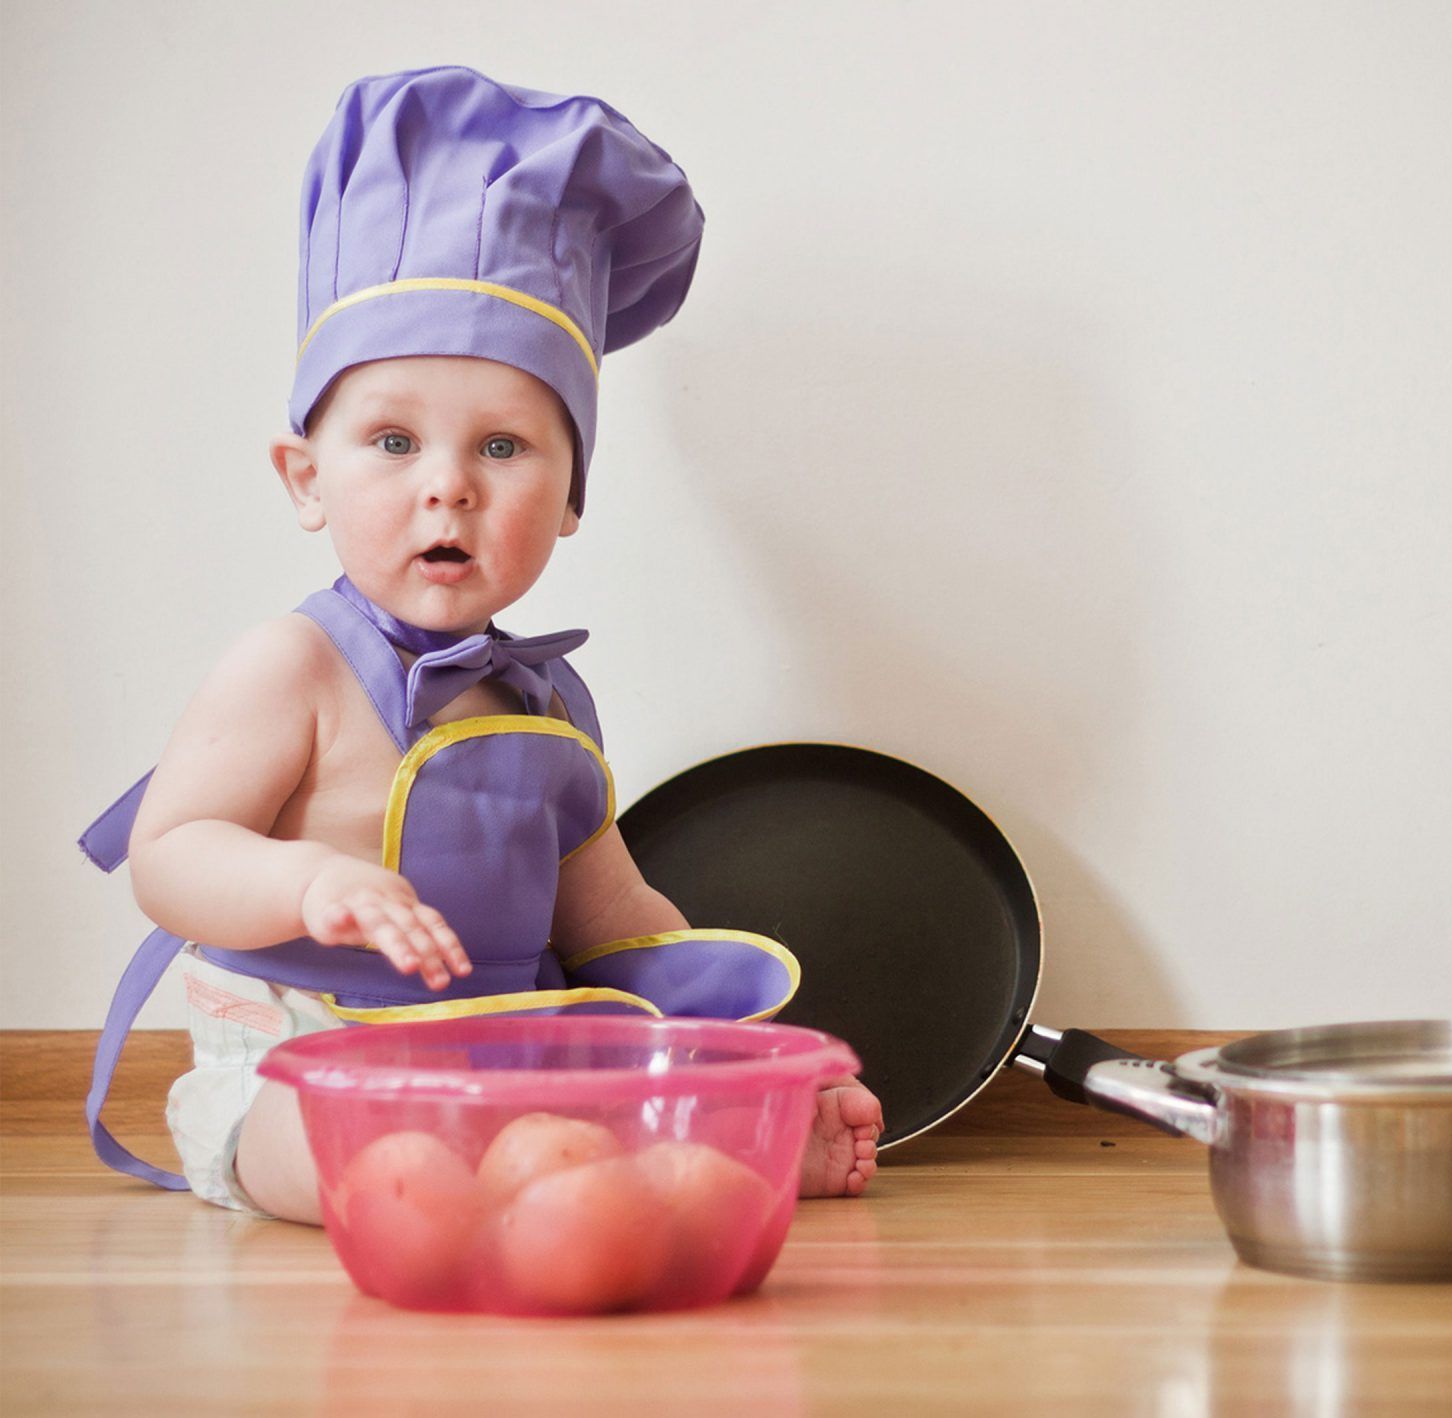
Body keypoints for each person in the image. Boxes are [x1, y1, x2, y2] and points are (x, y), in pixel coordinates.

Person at [79, 66, 882, 1223]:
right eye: (394, 440)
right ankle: (489, 1187)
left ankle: (723, 1151)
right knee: (367, 1145)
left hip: (508, 1069)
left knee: (592, 1111)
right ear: (306, 478)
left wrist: (720, 1045)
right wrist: (309, 881)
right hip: (304, 1067)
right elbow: (172, 853)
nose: (447, 487)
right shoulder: (289, 667)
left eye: (502, 448)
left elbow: (608, 914)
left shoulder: (546, 698)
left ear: (570, 499)